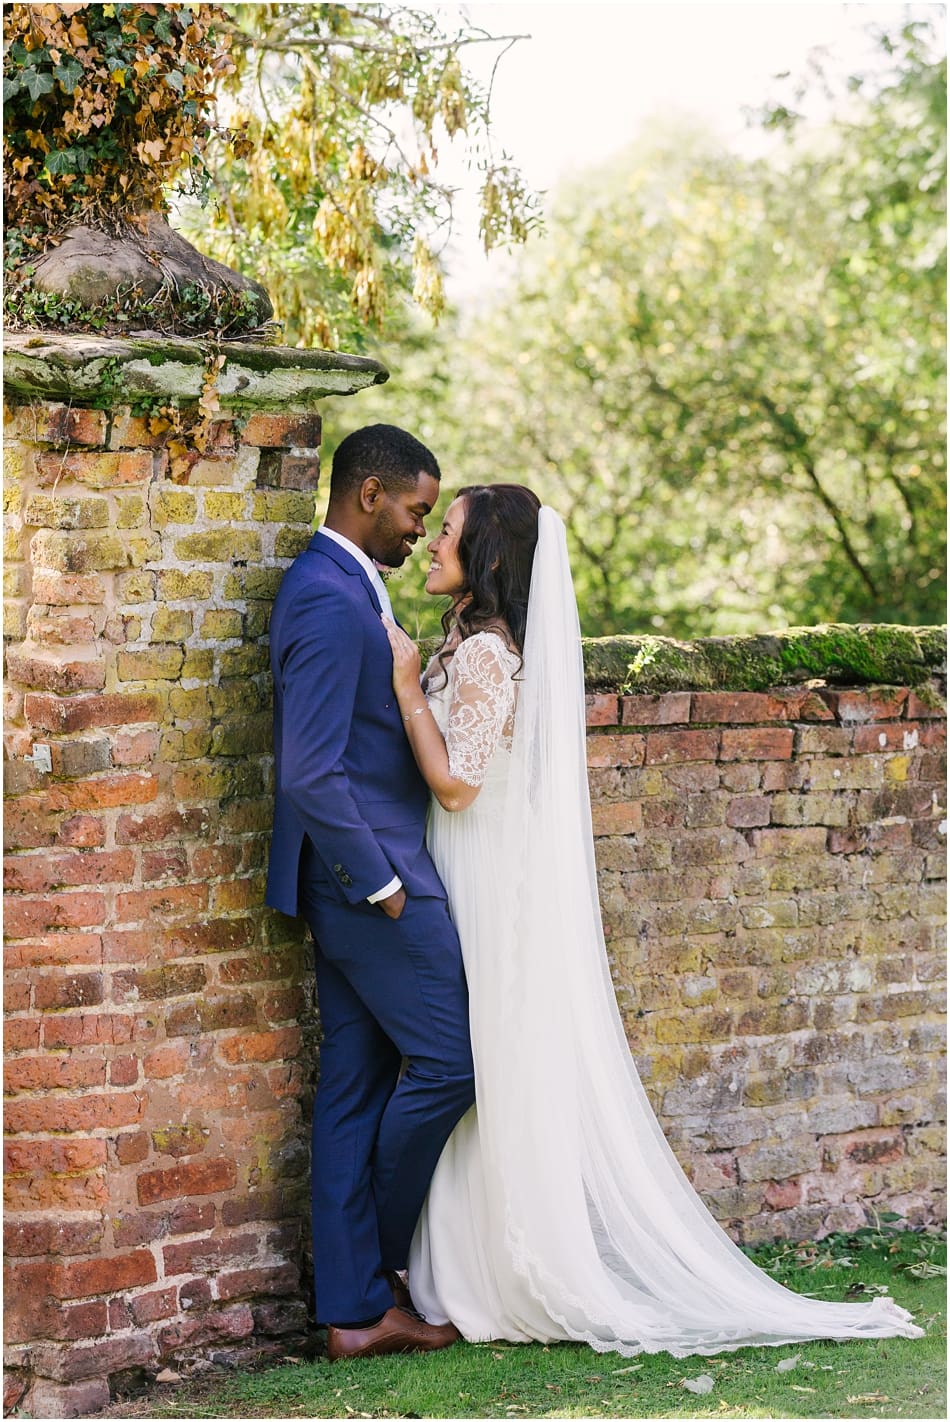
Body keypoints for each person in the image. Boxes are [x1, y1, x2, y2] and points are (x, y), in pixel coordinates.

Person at [382, 483, 924, 1356]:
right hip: (468, 862)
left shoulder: (485, 653)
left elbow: (456, 783)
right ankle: (458, 1257)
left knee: (491, 1061)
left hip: (479, 872)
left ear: (485, 557)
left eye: (448, 531)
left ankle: (497, 1268)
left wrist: (408, 685)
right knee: (485, 1059)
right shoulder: (473, 640)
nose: (434, 542)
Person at [266, 424, 475, 1361]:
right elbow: (310, 773)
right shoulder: (322, 597)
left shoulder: (352, 585)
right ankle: (385, 1263)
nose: (418, 530)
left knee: (355, 1087)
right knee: (451, 1063)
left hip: (362, 879)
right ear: (370, 492)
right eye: (415, 511)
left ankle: (355, 1314)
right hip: (371, 883)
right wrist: (384, 885)